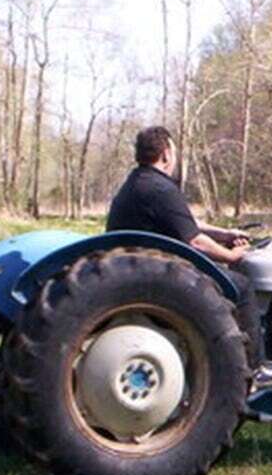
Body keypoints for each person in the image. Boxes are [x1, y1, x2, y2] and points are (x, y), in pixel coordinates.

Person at [106, 125, 263, 365]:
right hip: (156, 270)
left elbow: (184, 223)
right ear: (166, 154)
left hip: (139, 264)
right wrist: (231, 256)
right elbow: (195, 241)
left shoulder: (139, 182)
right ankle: (254, 366)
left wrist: (225, 234)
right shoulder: (161, 188)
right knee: (241, 287)